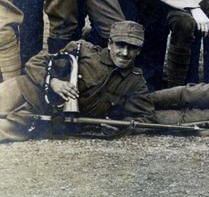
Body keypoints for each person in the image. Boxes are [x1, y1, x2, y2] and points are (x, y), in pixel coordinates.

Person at [0, 21, 154, 142]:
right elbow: (36, 62)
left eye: (132, 47)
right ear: (110, 44)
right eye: (120, 45)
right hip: (24, 90)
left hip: (40, 118)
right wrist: (53, 82)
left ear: (139, 50)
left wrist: (121, 126)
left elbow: (146, 117)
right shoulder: (84, 50)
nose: (125, 53)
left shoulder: (135, 81)